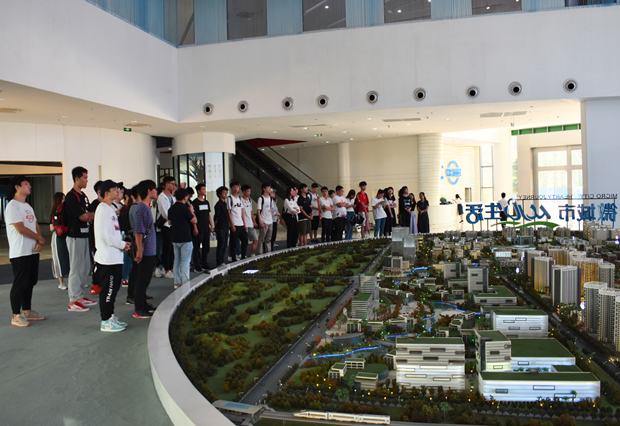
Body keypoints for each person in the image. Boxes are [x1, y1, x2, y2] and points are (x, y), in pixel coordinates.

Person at [5, 176, 46, 327]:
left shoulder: (28, 206)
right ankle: (16, 315)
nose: (29, 186)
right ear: (17, 187)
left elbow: (35, 225)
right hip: (20, 252)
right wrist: (39, 238)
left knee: (30, 282)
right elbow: (20, 229)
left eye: (29, 183)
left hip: (32, 251)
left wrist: (39, 241)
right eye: (26, 184)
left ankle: (27, 311)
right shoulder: (12, 206)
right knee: (20, 283)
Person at [94, 180, 131, 332]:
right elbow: (106, 236)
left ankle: (110, 316)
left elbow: (113, 233)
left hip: (115, 257)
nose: (118, 191)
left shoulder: (110, 209)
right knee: (108, 290)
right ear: (106, 193)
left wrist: (122, 244)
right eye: (115, 189)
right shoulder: (103, 209)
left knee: (114, 290)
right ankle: (105, 320)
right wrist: (122, 245)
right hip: (107, 259)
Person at [65, 166, 97, 312]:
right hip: (75, 236)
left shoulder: (83, 196)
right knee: (76, 268)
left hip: (84, 235)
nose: (86, 180)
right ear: (76, 178)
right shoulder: (71, 196)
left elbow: (90, 214)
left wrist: (88, 216)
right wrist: (88, 216)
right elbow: (84, 216)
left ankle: (80, 297)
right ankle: (73, 300)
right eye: (84, 177)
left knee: (85, 267)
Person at [133, 179, 158, 318]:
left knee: (146, 279)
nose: (156, 191)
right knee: (142, 279)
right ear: (149, 191)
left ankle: (143, 304)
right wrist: (140, 250)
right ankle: (138, 308)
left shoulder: (146, 207)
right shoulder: (141, 208)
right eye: (154, 189)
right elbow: (138, 231)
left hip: (150, 250)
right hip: (146, 250)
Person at [168, 188, 197, 289]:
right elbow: (194, 220)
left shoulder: (171, 208)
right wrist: (191, 211)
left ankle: (176, 282)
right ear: (185, 197)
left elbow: (169, 222)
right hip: (185, 238)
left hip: (175, 238)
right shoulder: (185, 208)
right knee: (185, 262)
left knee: (177, 261)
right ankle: (185, 282)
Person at [191, 183, 213, 272]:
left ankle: (205, 262)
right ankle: (196, 265)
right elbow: (193, 216)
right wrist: (195, 227)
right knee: (196, 247)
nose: (204, 191)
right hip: (198, 227)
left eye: (205, 189)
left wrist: (211, 225)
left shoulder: (206, 202)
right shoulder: (195, 203)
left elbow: (208, 214)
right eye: (203, 189)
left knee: (206, 246)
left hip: (206, 227)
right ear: (198, 191)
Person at [157, 176, 176, 278]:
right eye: (171, 184)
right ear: (166, 184)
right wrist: (171, 219)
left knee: (172, 248)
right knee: (167, 247)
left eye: (174, 184)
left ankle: (172, 268)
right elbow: (164, 212)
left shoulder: (173, 197)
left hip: (172, 225)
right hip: (166, 225)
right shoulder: (161, 197)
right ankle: (167, 268)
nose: (173, 186)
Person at [50, 191, 70, 290]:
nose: (64, 201)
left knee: (69, 257)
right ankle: (61, 281)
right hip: (57, 236)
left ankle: (73, 280)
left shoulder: (66, 210)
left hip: (67, 236)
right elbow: (51, 227)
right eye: (62, 199)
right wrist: (58, 227)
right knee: (58, 258)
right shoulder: (54, 212)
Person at [88, 180, 103, 295]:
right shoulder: (94, 205)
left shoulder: (107, 205)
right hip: (95, 239)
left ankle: (101, 283)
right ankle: (96, 284)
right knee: (96, 262)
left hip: (103, 239)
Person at [227, 181, 248, 261]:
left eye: (237, 187)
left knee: (245, 240)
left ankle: (243, 256)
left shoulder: (239, 198)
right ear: (232, 188)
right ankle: (233, 257)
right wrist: (232, 225)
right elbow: (229, 212)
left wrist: (244, 223)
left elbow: (241, 211)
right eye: (235, 187)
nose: (236, 188)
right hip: (234, 223)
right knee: (234, 242)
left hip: (241, 223)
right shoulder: (230, 198)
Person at [214, 186, 230, 266]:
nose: (226, 194)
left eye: (226, 192)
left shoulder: (225, 204)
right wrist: (216, 226)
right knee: (221, 245)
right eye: (224, 193)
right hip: (221, 226)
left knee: (225, 245)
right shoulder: (218, 204)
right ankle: (219, 261)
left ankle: (222, 260)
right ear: (219, 194)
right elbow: (216, 217)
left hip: (226, 226)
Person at [241, 185, 258, 256]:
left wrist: (254, 221)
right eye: (248, 191)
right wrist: (244, 224)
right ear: (243, 192)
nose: (249, 193)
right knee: (244, 241)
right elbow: (241, 213)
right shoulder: (240, 200)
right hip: (244, 224)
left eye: (250, 191)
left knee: (255, 239)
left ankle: (253, 254)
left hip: (250, 223)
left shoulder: (249, 200)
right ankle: (243, 254)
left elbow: (251, 212)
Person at [256, 183, 272, 254]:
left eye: (270, 187)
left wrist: (271, 219)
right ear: (264, 189)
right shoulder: (261, 198)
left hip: (270, 221)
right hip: (264, 221)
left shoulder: (270, 198)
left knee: (268, 239)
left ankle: (268, 253)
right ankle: (260, 253)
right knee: (261, 239)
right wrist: (260, 221)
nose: (269, 188)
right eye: (268, 187)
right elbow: (258, 210)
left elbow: (270, 209)